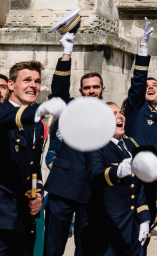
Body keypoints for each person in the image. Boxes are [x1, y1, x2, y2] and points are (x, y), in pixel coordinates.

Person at [0, 61, 66, 255]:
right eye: (27, 80)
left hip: (24, 220)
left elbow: (33, 168)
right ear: (11, 84)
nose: (33, 85)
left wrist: (38, 193)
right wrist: (38, 110)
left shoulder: (38, 125)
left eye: (37, 81)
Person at [44, 32, 96, 256]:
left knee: (86, 247)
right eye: (87, 88)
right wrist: (67, 54)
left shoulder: (110, 115)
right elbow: (58, 92)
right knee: (53, 245)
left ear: (102, 90)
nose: (91, 91)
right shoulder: (70, 107)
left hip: (93, 188)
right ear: (81, 91)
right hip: (64, 184)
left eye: (95, 87)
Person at [83, 102, 150, 256]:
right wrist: (118, 171)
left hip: (133, 227)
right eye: (112, 114)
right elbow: (95, 174)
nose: (119, 116)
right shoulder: (96, 145)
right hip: (109, 228)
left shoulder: (130, 145)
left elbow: (137, 187)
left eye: (120, 112)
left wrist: (144, 218)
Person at [122, 18, 157, 223]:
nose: (150, 87)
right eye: (147, 85)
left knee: (145, 232)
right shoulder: (136, 108)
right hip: (133, 177)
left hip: (154, 181)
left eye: (154, 85)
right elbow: (138, 82)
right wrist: (143, 48)